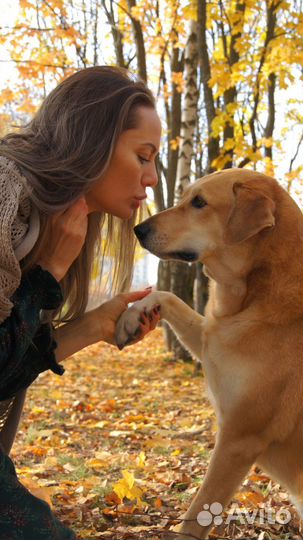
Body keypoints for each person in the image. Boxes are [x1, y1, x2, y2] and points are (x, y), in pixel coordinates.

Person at [0, 65, 162, 539]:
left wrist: (91, 328)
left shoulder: (57, 219)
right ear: (91, 141)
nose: (151, 177)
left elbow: (6, 367)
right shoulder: (8, 192)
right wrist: (46, 272)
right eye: (143, 156)